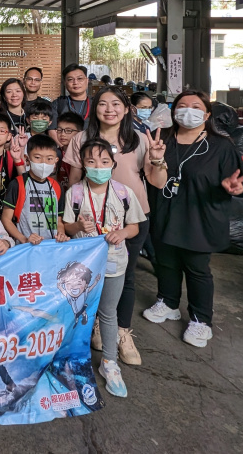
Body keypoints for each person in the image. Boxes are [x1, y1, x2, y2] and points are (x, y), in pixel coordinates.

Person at [142, 90, 243, 350]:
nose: (187, 110)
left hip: (200, 215)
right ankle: (168, 302)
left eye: (195, 106)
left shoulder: (221, 146)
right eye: (181, 106)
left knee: (196, 268)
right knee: (166, 261)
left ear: (207, 114)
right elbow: (152, 176)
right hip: (165, 211)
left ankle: (201, 319)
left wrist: (234, 187)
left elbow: (238, 180)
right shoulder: (162, 139)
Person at [64, 86, 155, 365]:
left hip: (130, 218)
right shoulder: (81, 138)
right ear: (95, 109)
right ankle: (98, 324)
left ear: (126, 109)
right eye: (103, 103)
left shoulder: (139, 139)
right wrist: (74, 217)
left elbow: (156, 180)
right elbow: (74, 180)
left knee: (125, 276)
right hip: (90, 223)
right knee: (88, 276)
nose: (109, 109)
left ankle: (122, 333)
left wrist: (159, 160)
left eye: (116, 104)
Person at [58, 139, 146, 399]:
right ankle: (69, 360)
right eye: (91, 162)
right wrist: (77, 227)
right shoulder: (75, 193)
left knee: (108, 313)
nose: (98, 167)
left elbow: (134, 227)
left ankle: (109, 362)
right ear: (83, 165)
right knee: (76, 313)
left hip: (114, 263)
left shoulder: (123, 193)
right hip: (81, 268)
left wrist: (123, 233)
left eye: (104, 162)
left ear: (113, 164)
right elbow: (67, 226)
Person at [1, 134, 63, 244]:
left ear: (55, 161)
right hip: (26, 248)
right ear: (27, 159)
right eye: (38, 157)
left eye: (49, 159)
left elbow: (59, 221)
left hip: (51, 247)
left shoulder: (57, 186)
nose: (44, 163)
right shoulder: (18, 184)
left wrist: (61, 234)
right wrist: (24, 239)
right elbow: (6, 219)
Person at [0, 112, 27, 212]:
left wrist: (18, 157)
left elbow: (24, 180)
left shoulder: (11, 157)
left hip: (6, 210)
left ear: (9, 136)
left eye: (2, 131)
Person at [53, 111, 85, 193]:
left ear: (80, 132)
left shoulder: (83, 155)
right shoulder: (55, 153)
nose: (62, 134)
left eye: (68, 131)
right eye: (59, 130)